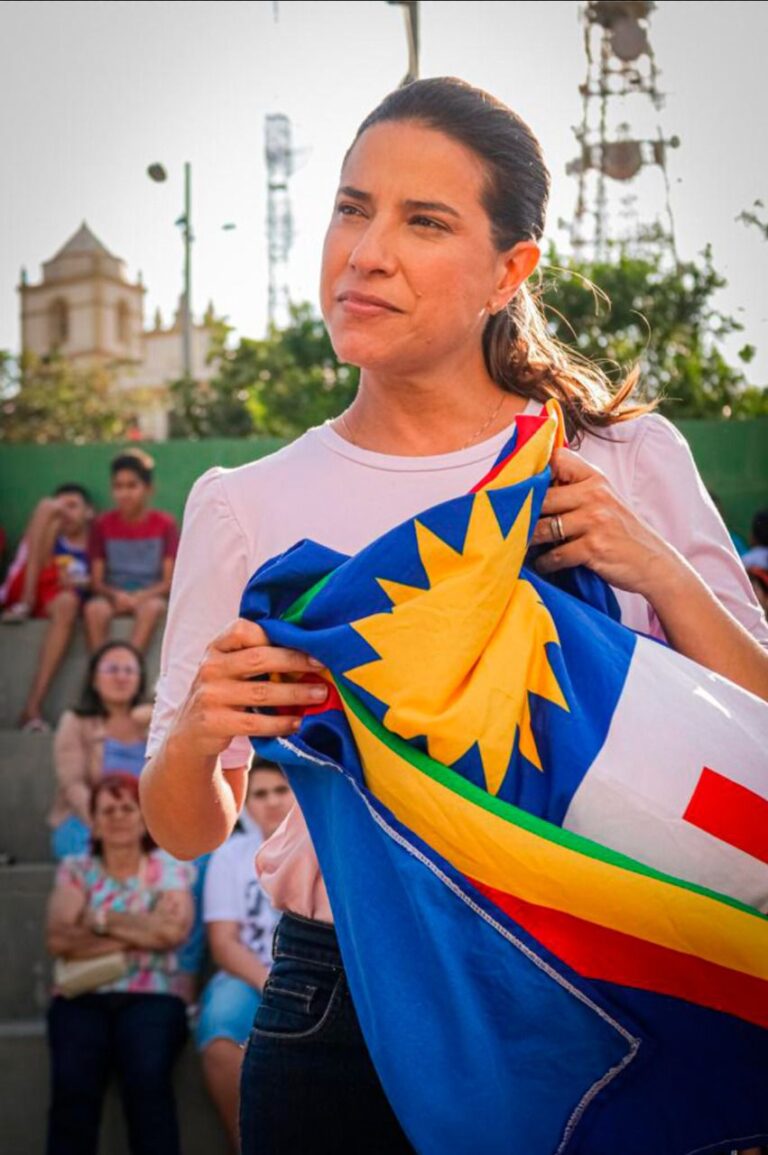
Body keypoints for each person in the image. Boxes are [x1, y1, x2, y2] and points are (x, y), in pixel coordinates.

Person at [140, 77, 768, 1155]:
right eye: (353, 207)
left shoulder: (620, 458)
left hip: (602, 979)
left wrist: (656, 569)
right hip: (338, 1003)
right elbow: (184, 824)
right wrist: (202, 732)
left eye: (424, 222)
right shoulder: (243, 502)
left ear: (510, 271)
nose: (366, 252)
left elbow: (755, 724)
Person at [45, 773, 194, 1155]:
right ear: (93, 822)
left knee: (147, 1080)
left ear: (144, 817)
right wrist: (143, 930)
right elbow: (59, 939)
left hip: (154, 995)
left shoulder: (168, 868)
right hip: (82, 995)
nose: (118, 817)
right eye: (107, 810)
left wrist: (99, 919)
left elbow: (172, 934)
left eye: (127, 808)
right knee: (73, 1089)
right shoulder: (77, 868)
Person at [195, 760, 294, 1151]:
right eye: (260, 794)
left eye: (281, 790)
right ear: (246, 804)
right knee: (221, 1037)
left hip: (314, 975)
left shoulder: (323, 846)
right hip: (248, 975)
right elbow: (223, 943)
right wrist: (269, 984)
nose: (272, 801)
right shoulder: (231, 855)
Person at [0, 484, 93, 730]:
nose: (65, 513)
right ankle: (26, 601)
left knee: (68, 603)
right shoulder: (50, 531)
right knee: (46, 506)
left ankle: (32, 709)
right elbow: (49, 513)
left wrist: (81, 582)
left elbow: (96, 581)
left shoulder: (96, 544)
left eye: (72, 506)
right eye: (61, 507)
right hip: (25, 584)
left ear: (89, 512)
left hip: (56, 597)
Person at [48, 640, 151, 860]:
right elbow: (72, 784)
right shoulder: (76, 721)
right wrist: (104, 821)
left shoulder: (153, 721)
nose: (121, 677)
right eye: (112, 669)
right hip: (87, 819)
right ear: (94, 679)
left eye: (129, 670)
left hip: (148, 822)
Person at [84, 449, 178, 654]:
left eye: (132, 485)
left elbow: (169, 581)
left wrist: (140, 597)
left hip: (150, 597)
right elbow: (97, 582)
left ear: (149, 489)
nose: (124, 493)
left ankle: (130, 663)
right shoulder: (102, 525)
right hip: (113, 597)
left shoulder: (165, 525)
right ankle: (100, 666)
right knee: (94, 609)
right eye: (118, 486)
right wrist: (116, 596)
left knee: (153, 608)